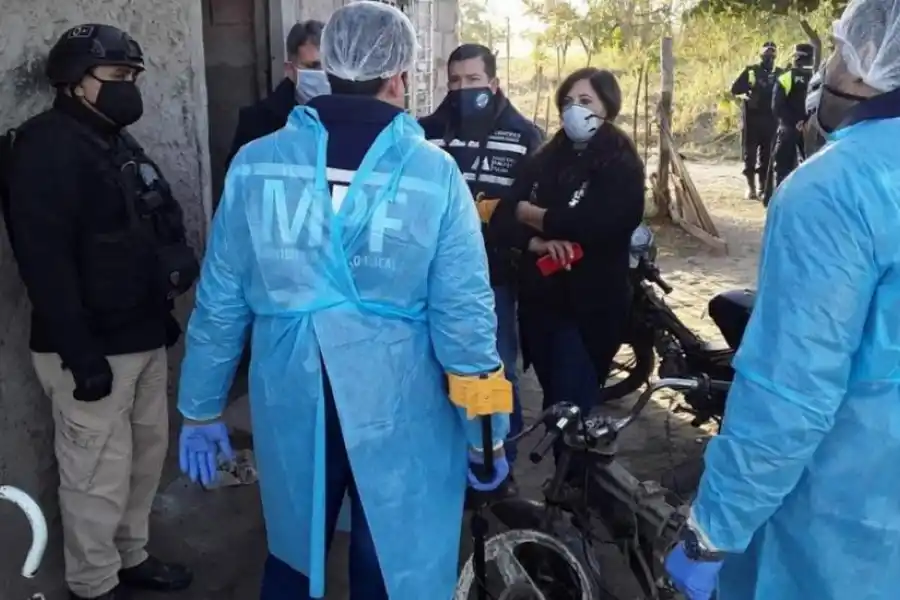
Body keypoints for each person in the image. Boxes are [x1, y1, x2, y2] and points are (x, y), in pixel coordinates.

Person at [175, 2, 512, 600]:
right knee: (391, 547)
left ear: (324, 71)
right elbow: (464, 318)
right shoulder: (433, 175)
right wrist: (486, 428)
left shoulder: (257, 166)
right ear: (397, 76)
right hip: (401, 398)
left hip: (291, 389)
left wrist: (201, 409)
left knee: (293, 547)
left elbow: (221, 299)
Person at [665, 0, 900, 598]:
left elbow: (791, 391)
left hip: (845, 532)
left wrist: (713, 529)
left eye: (842, 49)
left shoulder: (836, 188)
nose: (827, 66)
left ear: (874, 60)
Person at [0, 24, 198, 600]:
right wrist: (81, 355)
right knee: (95, 478)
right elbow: (44, 263)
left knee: (141, 465)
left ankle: (130, 557)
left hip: (139, 337)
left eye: (133, 76)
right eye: (115, 77)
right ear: (73, 83)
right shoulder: (45, 147)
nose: (127, 87)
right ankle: (94, 583)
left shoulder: (113, 140)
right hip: (90, 351)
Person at [491, 67, 645, 428]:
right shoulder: (546, 157)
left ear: (607, 106)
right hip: (541, 303)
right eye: (568, 102)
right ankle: (566, 478)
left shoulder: (621, 161)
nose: (574, 109)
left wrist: (533, 213)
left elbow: (601, 224)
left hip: (590, 308)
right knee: (552, 402)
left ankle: (577, 480)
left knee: (571, 405)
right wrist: (537, 240)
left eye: (585, 101)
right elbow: (501, 218)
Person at [418, 43, 543, 466]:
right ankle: (448, 456)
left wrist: (500, 214)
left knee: (496, 367)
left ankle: (497, 459)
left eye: (473, 80)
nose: (462, 88)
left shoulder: (524, 135)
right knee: (435, 369)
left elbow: (532, 205)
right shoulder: (425, 132)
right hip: (429, 274)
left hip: (495, 277)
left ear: (494, 82)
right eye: (455, 81)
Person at [226, 19, 326, 164]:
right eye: (313, 66)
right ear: (290, 70)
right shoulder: (257, 123)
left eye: (328, 66)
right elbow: (237, 179)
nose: (323, 74)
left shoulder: (350, 118)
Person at [730, 42, 780, 200]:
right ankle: (750, 187)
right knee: (750, 155)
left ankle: (762, 187)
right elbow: (734, 90)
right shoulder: (751, 71)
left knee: (767, 156)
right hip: (752, 120)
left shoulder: (780, 74)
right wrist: (746, 96)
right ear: (761, 55)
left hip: (771, 121)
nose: (769, 58)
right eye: (766, 55)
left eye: (772, 56)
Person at [769, 43, 815, 193]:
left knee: (782, 167)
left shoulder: (786, 77)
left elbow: (777, 107)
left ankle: (779, 200)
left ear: (796, 58)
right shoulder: (819, 76)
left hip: (789, 128)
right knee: (811, 167)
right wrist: (806, 121)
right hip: (813, 129)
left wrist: (795, 122)